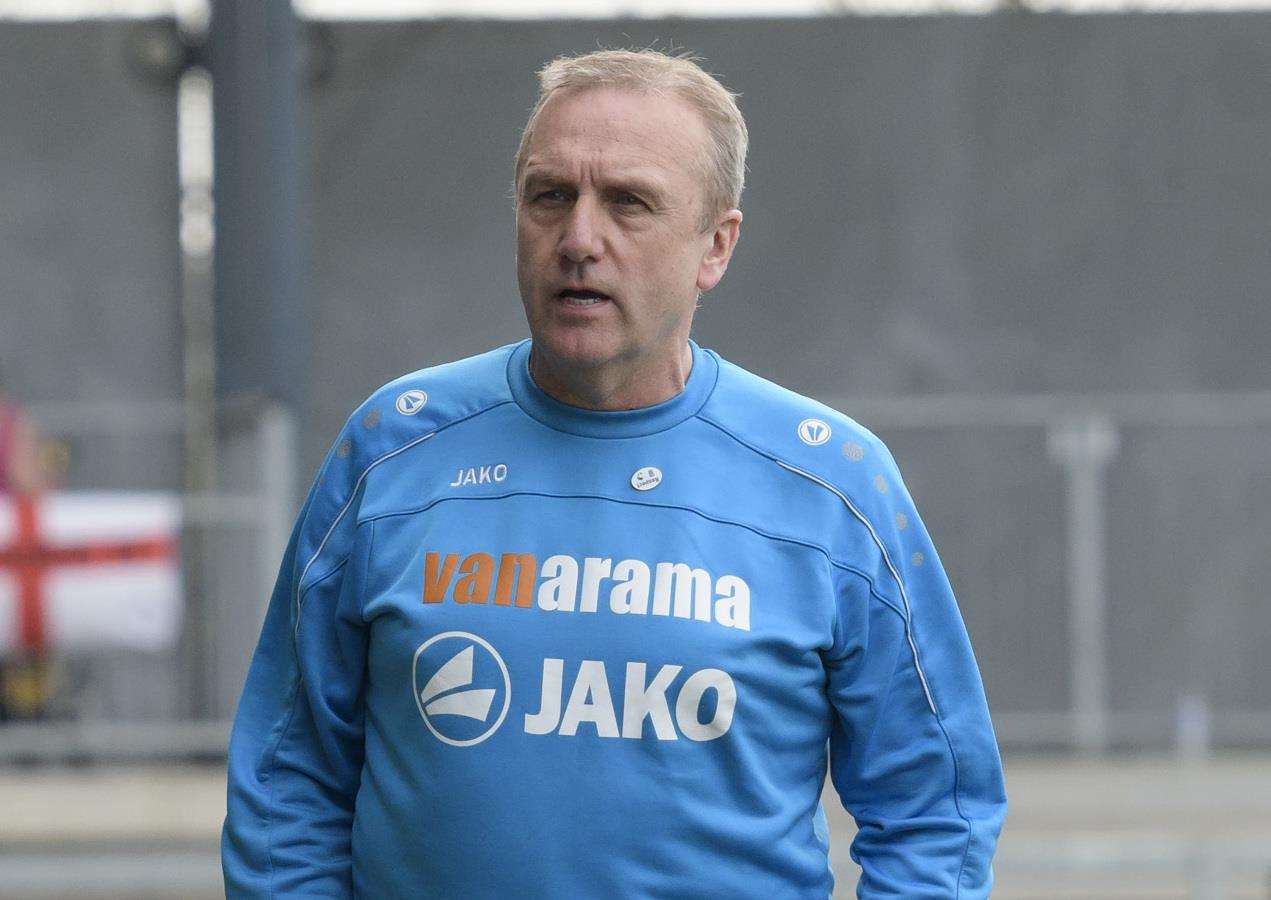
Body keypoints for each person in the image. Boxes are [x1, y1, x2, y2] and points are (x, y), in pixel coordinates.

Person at [223, 48, 1007, 898]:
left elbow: (936, 812)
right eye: (549, 196)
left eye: (628, 203)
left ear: (715, 245)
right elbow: (286, 777)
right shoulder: (393, 449)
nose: (578, 240)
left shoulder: (831, 483)